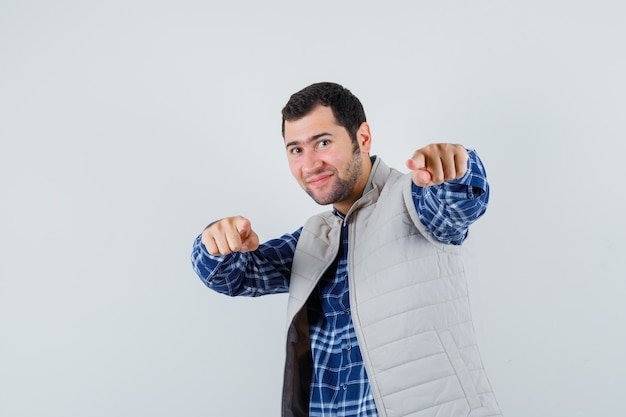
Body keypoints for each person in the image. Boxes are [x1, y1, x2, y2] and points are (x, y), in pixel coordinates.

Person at [191, 82, 502, 417]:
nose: (309, 165)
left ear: (363, 139)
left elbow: (456, 203)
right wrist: (214, 242)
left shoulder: (412, 199)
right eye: (296, 150)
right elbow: (235, 276)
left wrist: (456, 168)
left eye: (322, 142)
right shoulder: (314, 236)